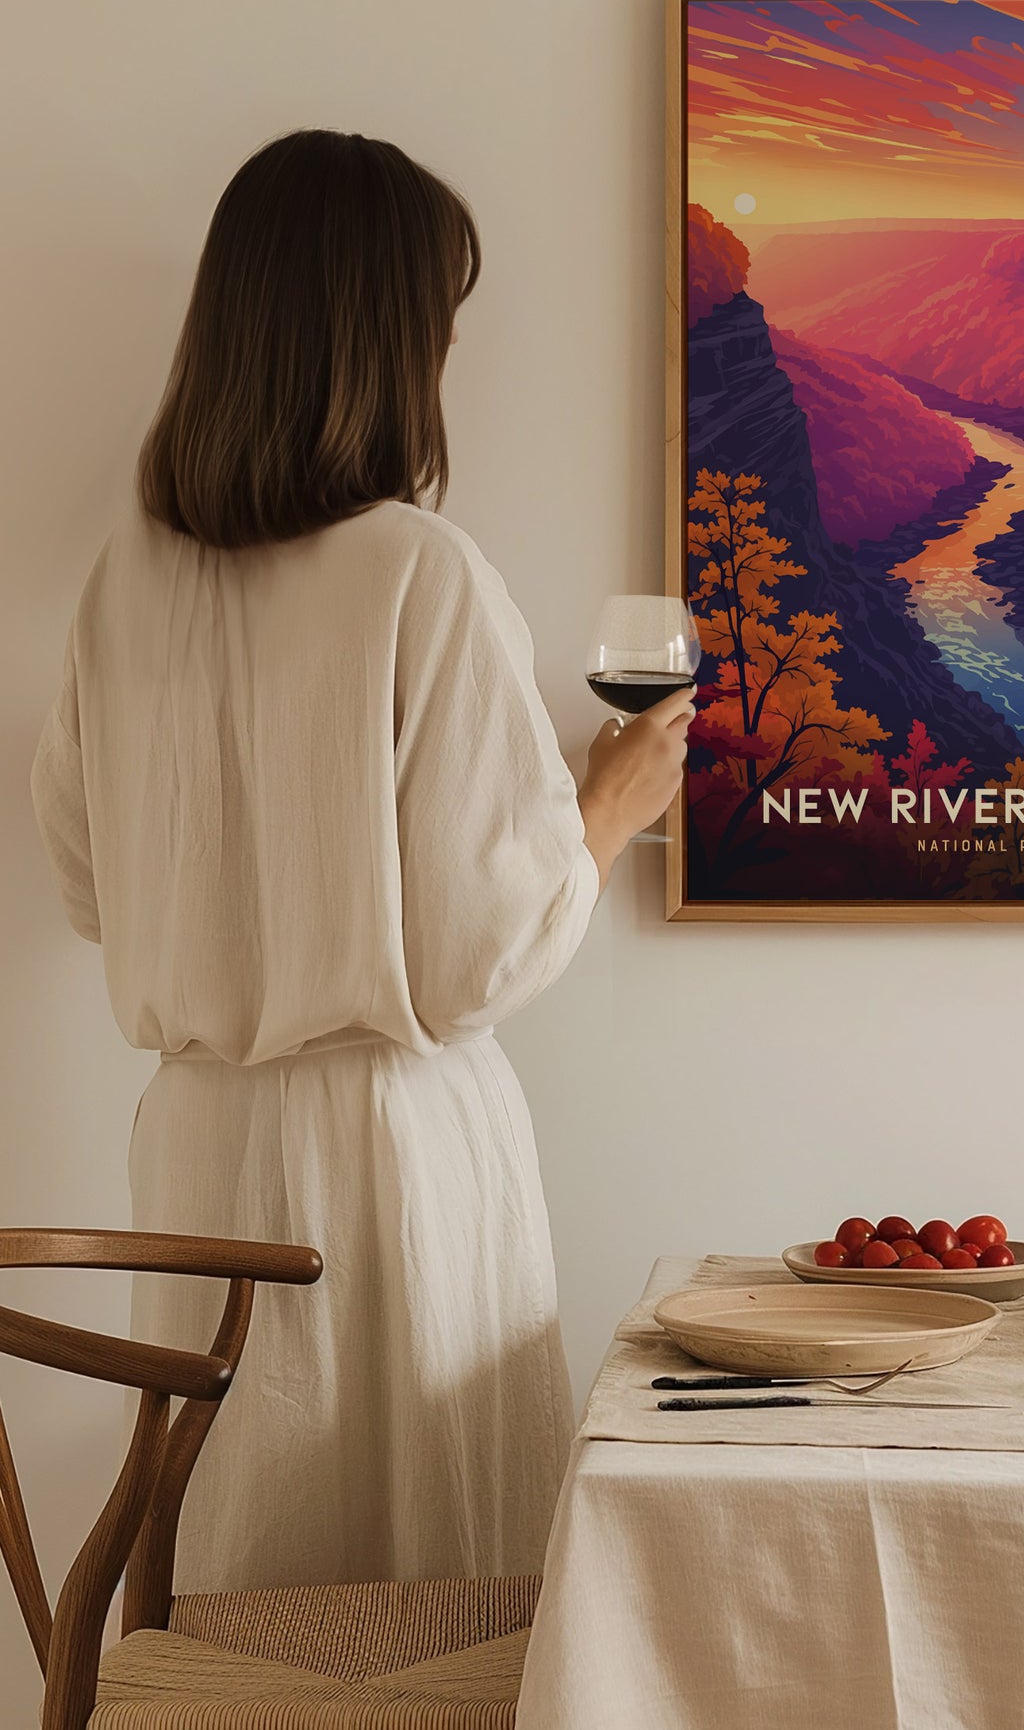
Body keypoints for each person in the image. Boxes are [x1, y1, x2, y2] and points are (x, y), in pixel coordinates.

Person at [29, 129, 690, 1590]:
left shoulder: (122, 581)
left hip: (197, 1145)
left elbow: (87, 885)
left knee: (241, 1574)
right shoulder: (417, 569)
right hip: (390, 1156)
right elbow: (474, 957)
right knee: (423, 1594)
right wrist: (606, 804)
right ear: (387, 341)